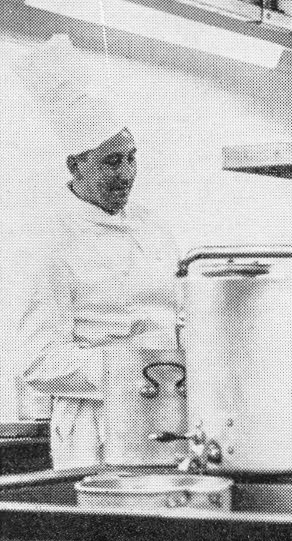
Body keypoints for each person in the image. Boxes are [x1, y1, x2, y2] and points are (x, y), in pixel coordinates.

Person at [13, 38, 179, 470]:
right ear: (75, 165)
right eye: (110, 162)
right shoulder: (49, 239)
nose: (125, 175)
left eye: (131, 158)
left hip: (166, 409)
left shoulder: (152, 226)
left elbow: (176, 312)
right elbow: (36, 360)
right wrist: (134, 365)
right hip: (95, 426)